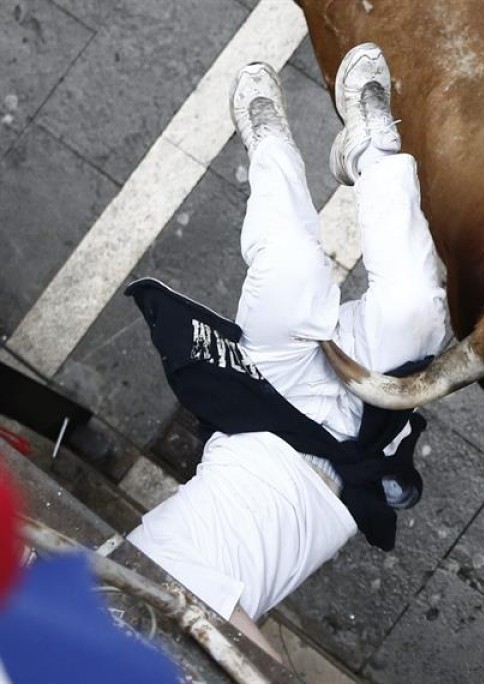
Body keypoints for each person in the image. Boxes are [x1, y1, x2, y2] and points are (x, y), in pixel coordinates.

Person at [125, 44, 448, 661]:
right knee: (417, 314)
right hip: (356, 438)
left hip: (270, 408)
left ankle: (268, 140)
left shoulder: (99, 602)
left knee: (293, 268)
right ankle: (371, 149)